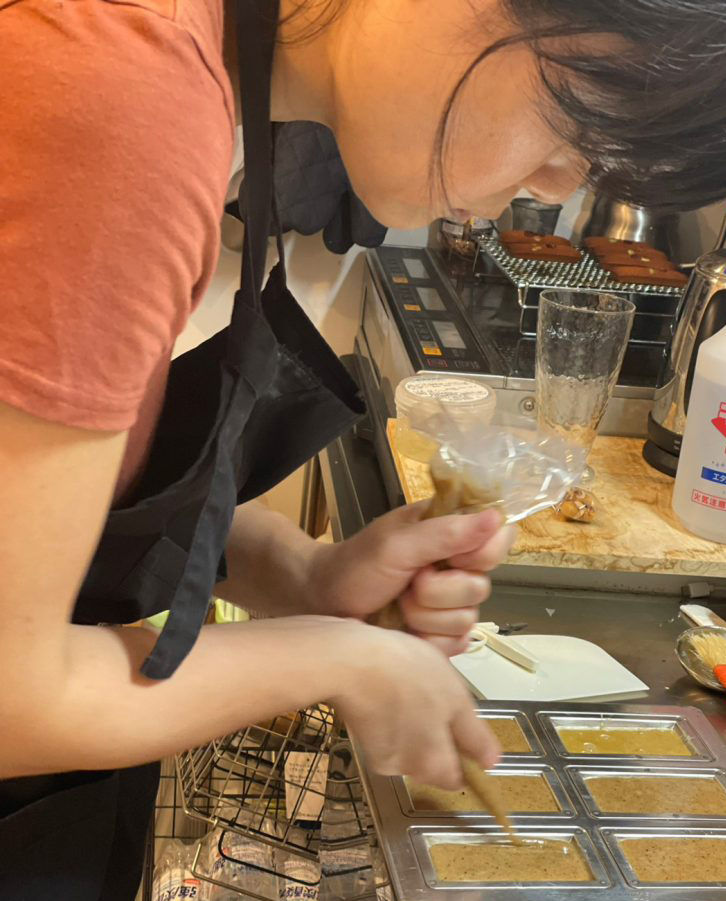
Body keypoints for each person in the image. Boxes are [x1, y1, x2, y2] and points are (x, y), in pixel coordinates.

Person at [1, 0, 724, 898]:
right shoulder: (124, 90)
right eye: (578, 116)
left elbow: (50, 513)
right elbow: (14, 693)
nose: (553, 186)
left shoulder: (183, 73)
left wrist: (305, 577)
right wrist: (344, 658)